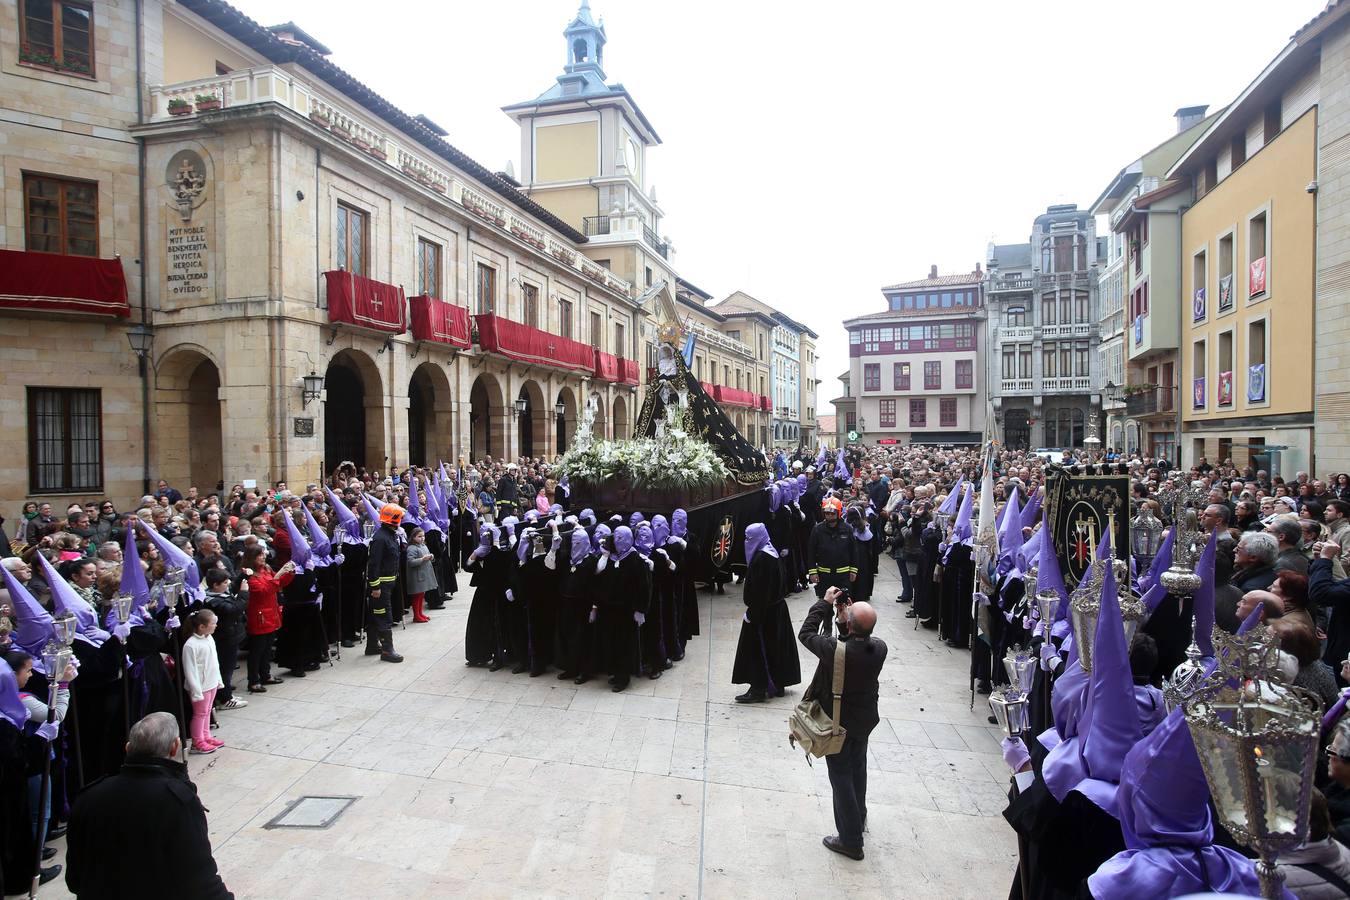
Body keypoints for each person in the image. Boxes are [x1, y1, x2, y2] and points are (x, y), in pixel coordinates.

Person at [65, 711, 233, 899]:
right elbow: (200, 881)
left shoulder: (89, 797)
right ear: (174, 747)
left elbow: (74, 878)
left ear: (128, 748)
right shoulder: (178, 802)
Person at [798, 587, 887, 861]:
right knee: (858, 768)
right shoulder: (879, 648)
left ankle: (850, 840)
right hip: (864, 721)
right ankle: (858, 818)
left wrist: (823, 604)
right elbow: (852, 644)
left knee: (841, 778)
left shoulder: (835, 650)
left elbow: (806, 634)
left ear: (850, 624)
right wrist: (842, 620)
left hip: (838, 724)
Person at [731, 523, 801, 703]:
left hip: (765, 613)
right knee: (775, 648)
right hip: (776, 611)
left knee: (758, 649)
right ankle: (777, 683)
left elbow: (761, 592)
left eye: (749, 538)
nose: (747, 542)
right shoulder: (771, 551)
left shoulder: (762, 559)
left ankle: (758, 688)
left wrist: (753, 615)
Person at [241, 546, 294, 693]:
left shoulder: (266, 569)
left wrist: (289, 573)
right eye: (259, 555)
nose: (263, 557)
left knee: (267, 649)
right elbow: (262, 591)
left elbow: (279, 585)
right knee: (257, 650)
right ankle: (253, 680)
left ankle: (265, 674)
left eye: (263, 554)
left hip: (270, 613)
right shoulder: (248, 575)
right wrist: (278, 576)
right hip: (259, 616)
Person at [202, 568, 247, 711]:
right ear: (215, 585)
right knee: (225, 669)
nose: (228, 585)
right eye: (225, 582)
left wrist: (242, 575)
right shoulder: (214, 601)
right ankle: (225, 699)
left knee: (228, 668)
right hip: (224, 639)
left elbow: (233, 587)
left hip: (231, 637)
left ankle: (226, 694)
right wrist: (244, 593)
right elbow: (234, 609)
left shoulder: (221, 593)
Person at [181, 609, 224, 754]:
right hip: (200, 687)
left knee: (207, 711)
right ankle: (197, 742)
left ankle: (206, 736)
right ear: (201, 627)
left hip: (211, 683)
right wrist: (196, 691)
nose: (216, 626)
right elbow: (190, 670)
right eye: (213, 623)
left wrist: (218, 679)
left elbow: (214, 662)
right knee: (200, 713)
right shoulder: (190, 645)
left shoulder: (209, 638)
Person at [404, 527, 435, 624]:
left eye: (423, 536)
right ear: (413, 537)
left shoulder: (423, 546)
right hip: (417, 576)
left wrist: (431, 557)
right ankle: (416, 616)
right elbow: (410, 562)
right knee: (417, 596)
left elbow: (428, 556)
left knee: (421, 595)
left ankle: (420, 613)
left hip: (423, 574)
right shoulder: (412, 548)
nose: (422, 538)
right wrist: (422, 559)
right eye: (419, 536)